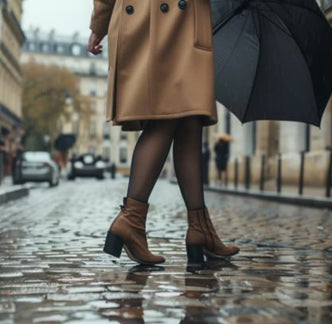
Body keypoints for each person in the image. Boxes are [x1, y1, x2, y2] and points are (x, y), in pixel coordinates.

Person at [88, 0, 239, 265]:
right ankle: (131, 219)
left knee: (190, 120)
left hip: (175, 18)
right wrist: (99, 23)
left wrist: (100, 24)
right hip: (167, 17)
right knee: (166, 117)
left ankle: (199, 227)